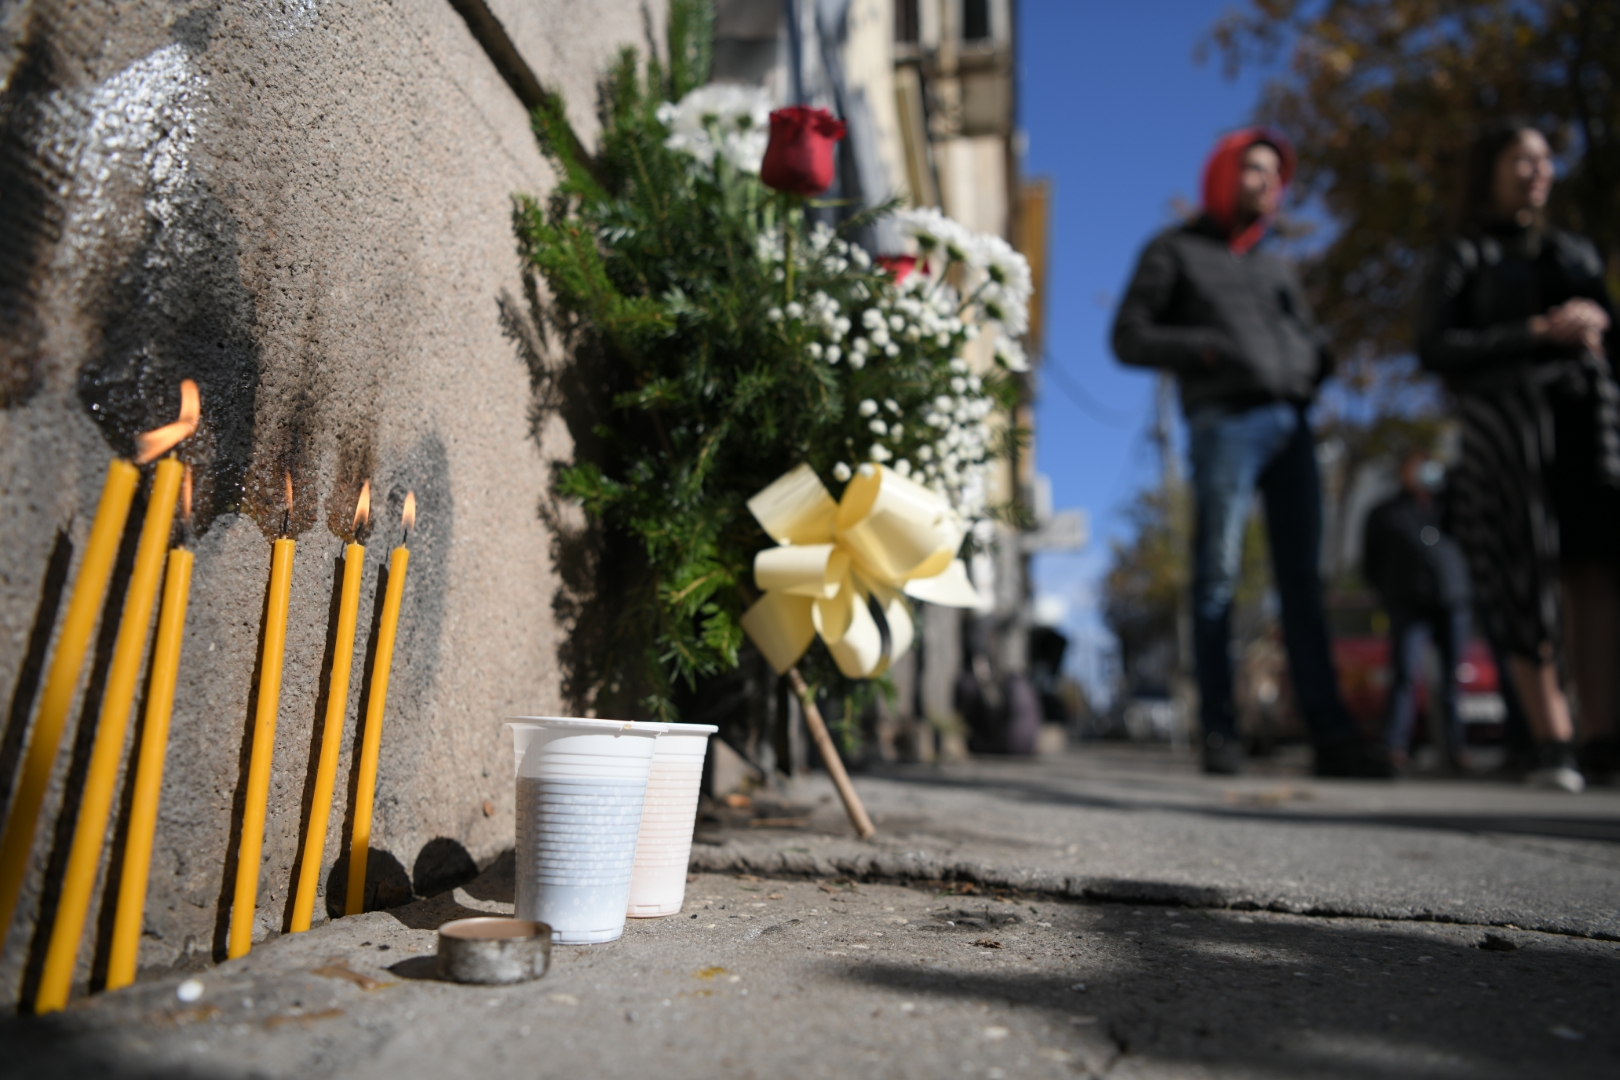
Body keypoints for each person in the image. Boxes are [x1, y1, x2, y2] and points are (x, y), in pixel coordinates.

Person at [1112, 128, 1392, 777]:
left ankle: (1330, 731)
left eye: (1276, 174)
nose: (1268, 183)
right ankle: (1220, 730)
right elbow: (1127, 336)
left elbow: (1303, 334)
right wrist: (1205, 348)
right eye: (1255, 169)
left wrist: (1315, 362)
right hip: (1224, 422)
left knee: (1303, 582)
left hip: (1292, 423)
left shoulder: (1275, 262)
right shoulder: (1175, 249)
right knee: (1219, 573)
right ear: (1224, 172)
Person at [1417, 120, 1619, 793]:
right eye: (1520, 158)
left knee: (1590, 572)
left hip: (1579, 424)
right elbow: (1436, 347)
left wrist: (1595, 324)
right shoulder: (1464, 255)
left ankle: (1602, 735)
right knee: (1524, 573)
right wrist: (1532, 331)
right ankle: (1553, 737)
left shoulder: (1575, 253)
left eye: (1544, 158)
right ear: (1491, 169)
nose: (1537, 169)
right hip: (1507, 426)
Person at [1362, 449, 1473, 771]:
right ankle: (1395, 746)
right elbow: (1371, 562)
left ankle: (1456, 750)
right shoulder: (1386, 513)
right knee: (1406, 674)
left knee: (1453, 678)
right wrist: (1388, 593)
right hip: (1408, 602)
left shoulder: (1448, 507)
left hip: (1452, 599)